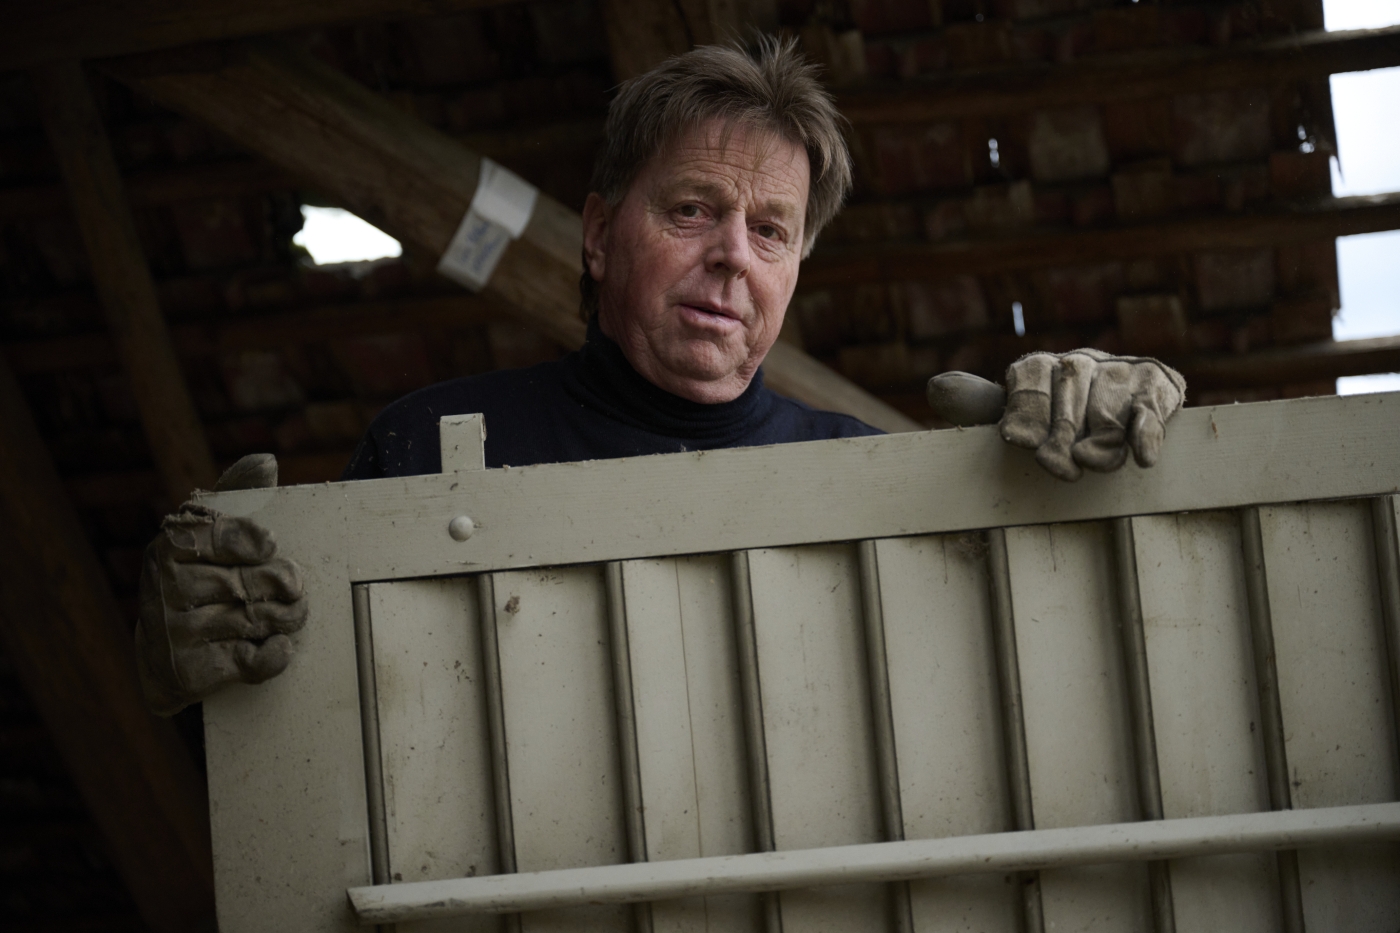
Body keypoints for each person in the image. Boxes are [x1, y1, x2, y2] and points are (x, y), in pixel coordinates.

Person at [134, 38, 1185, 716]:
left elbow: (1066, 694)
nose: (733, 254)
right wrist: (193, 661)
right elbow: (322, 731)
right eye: (691, 209)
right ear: (597, 234)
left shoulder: (875, 481)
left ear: (794, 268)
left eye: (769, 229)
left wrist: (1112, 478)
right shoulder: (425, 442)